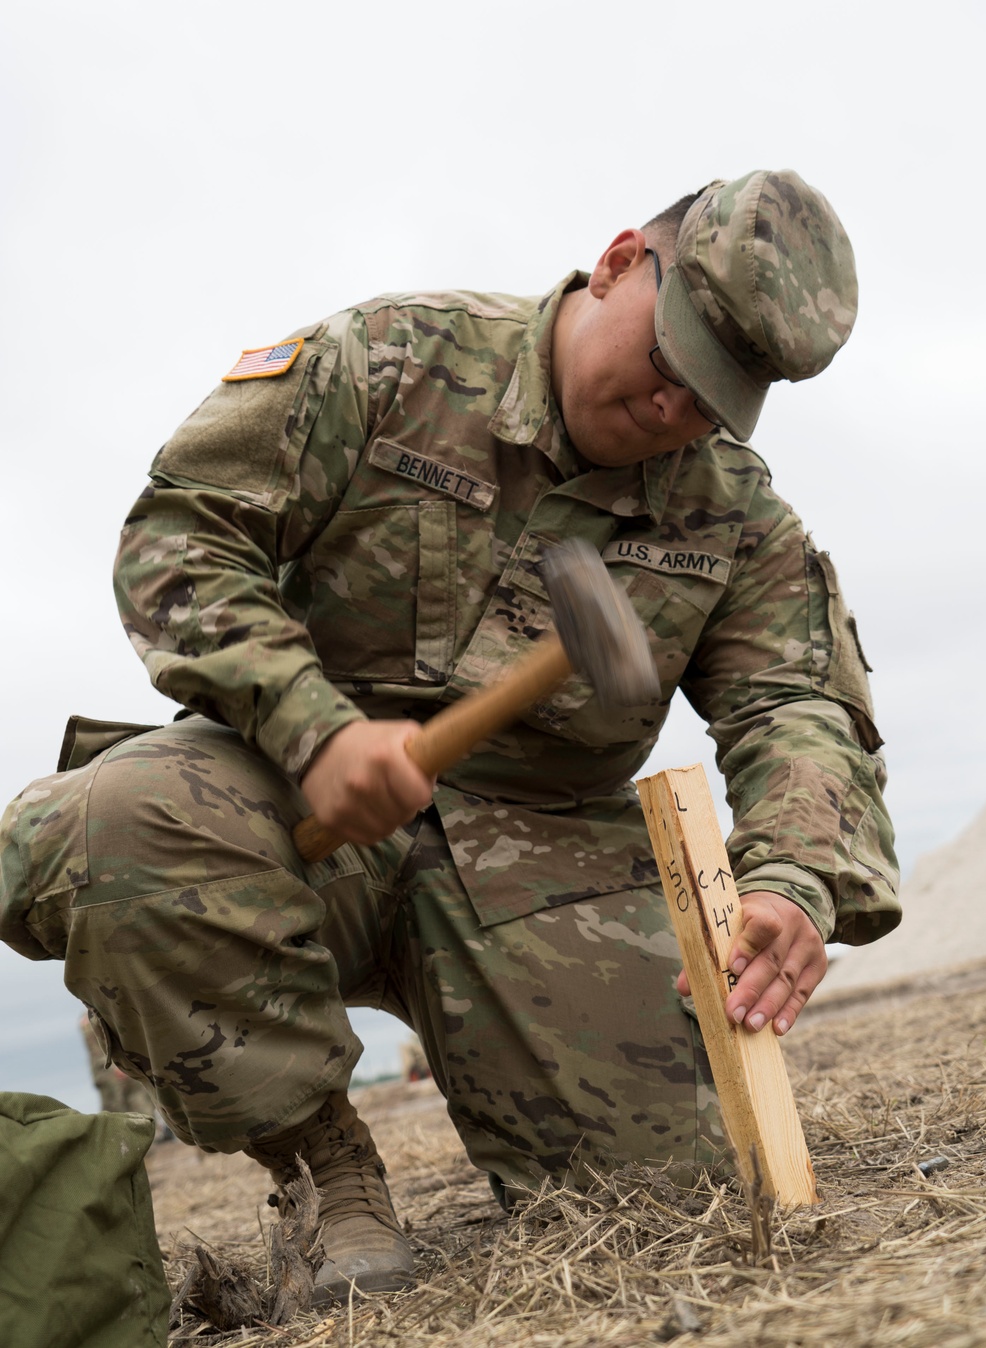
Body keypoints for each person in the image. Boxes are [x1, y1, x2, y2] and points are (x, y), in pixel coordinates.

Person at [0, 170, 899, 1304]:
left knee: (673, 1208)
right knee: (118, 826)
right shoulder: (387, 363)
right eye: (674, 360)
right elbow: (180, 538)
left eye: (721, 394)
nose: (679, 411)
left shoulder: (733, 517)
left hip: (543, 874)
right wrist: (314, 727)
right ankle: (323, 1165)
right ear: (621, 260)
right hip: (292, 815)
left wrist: (793, 878)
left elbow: (800, 707)